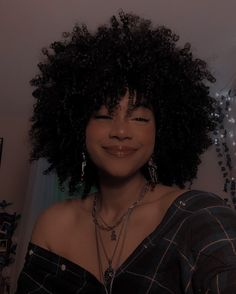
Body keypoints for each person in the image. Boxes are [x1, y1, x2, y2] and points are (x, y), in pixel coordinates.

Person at [16, 11, 236, 294]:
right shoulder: (53, 224)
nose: (121, 131)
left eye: (140, 118)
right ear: (77, 128)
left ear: (162, 132)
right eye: (104, 116)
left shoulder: (199, 216)